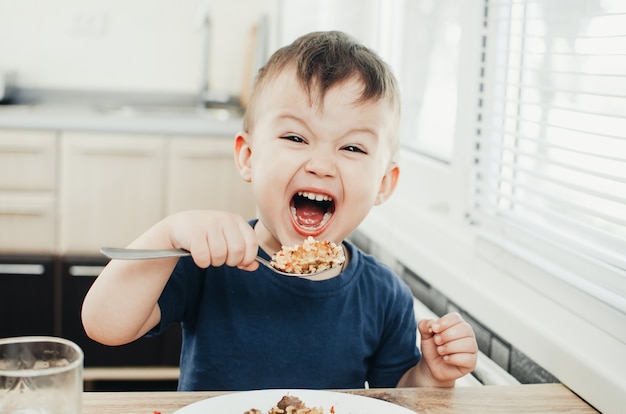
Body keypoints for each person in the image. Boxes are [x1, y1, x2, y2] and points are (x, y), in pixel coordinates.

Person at [81, 31, 477, 391]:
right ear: (249, 157)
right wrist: (168, 234)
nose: (321, 164)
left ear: (384, 184)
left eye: (352, 147)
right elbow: (105, 326)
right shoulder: (209, 260)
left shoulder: (385, 296)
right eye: (295, 137)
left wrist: (431, 374)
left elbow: (398, 396)